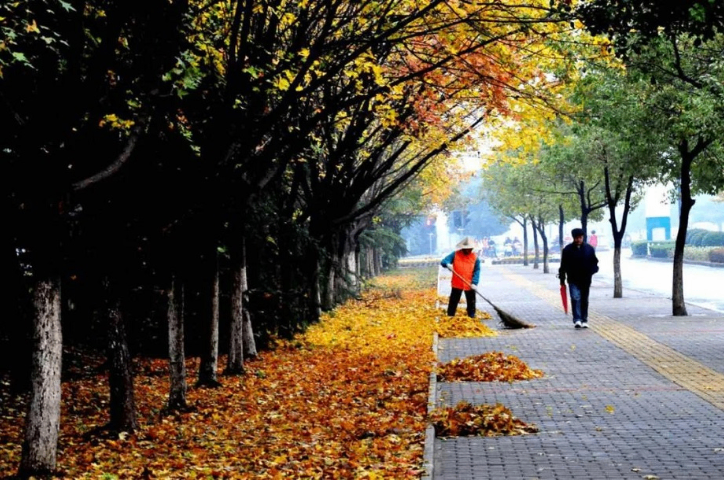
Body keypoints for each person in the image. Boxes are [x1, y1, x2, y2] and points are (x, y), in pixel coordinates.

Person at [558, 228, 599, 328]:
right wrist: (562, 279)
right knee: (575, 298)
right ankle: (577, 319)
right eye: (576, 238)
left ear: (583, 237)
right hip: (573, 279)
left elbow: (595, 263)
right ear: (573, 238)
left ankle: (584, 319)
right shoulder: (567, 250)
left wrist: (592, 271)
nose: (578, 240)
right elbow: (563, 265)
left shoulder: (589, 249)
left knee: (584, 299)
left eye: (580, 238)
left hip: (586, 279)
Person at [440, 236, 481, 318]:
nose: (467, 250)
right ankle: (450, 316)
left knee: (471, 302)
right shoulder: (455, 254)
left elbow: (477, 271)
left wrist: (474, 283)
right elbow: (444, 261)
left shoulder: (475, 258)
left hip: (469, 284)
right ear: (462, 247)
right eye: (465, 248)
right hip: (457, 282)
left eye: (469, 248)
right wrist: (447, 264)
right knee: (453, 301)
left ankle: (471, 316)